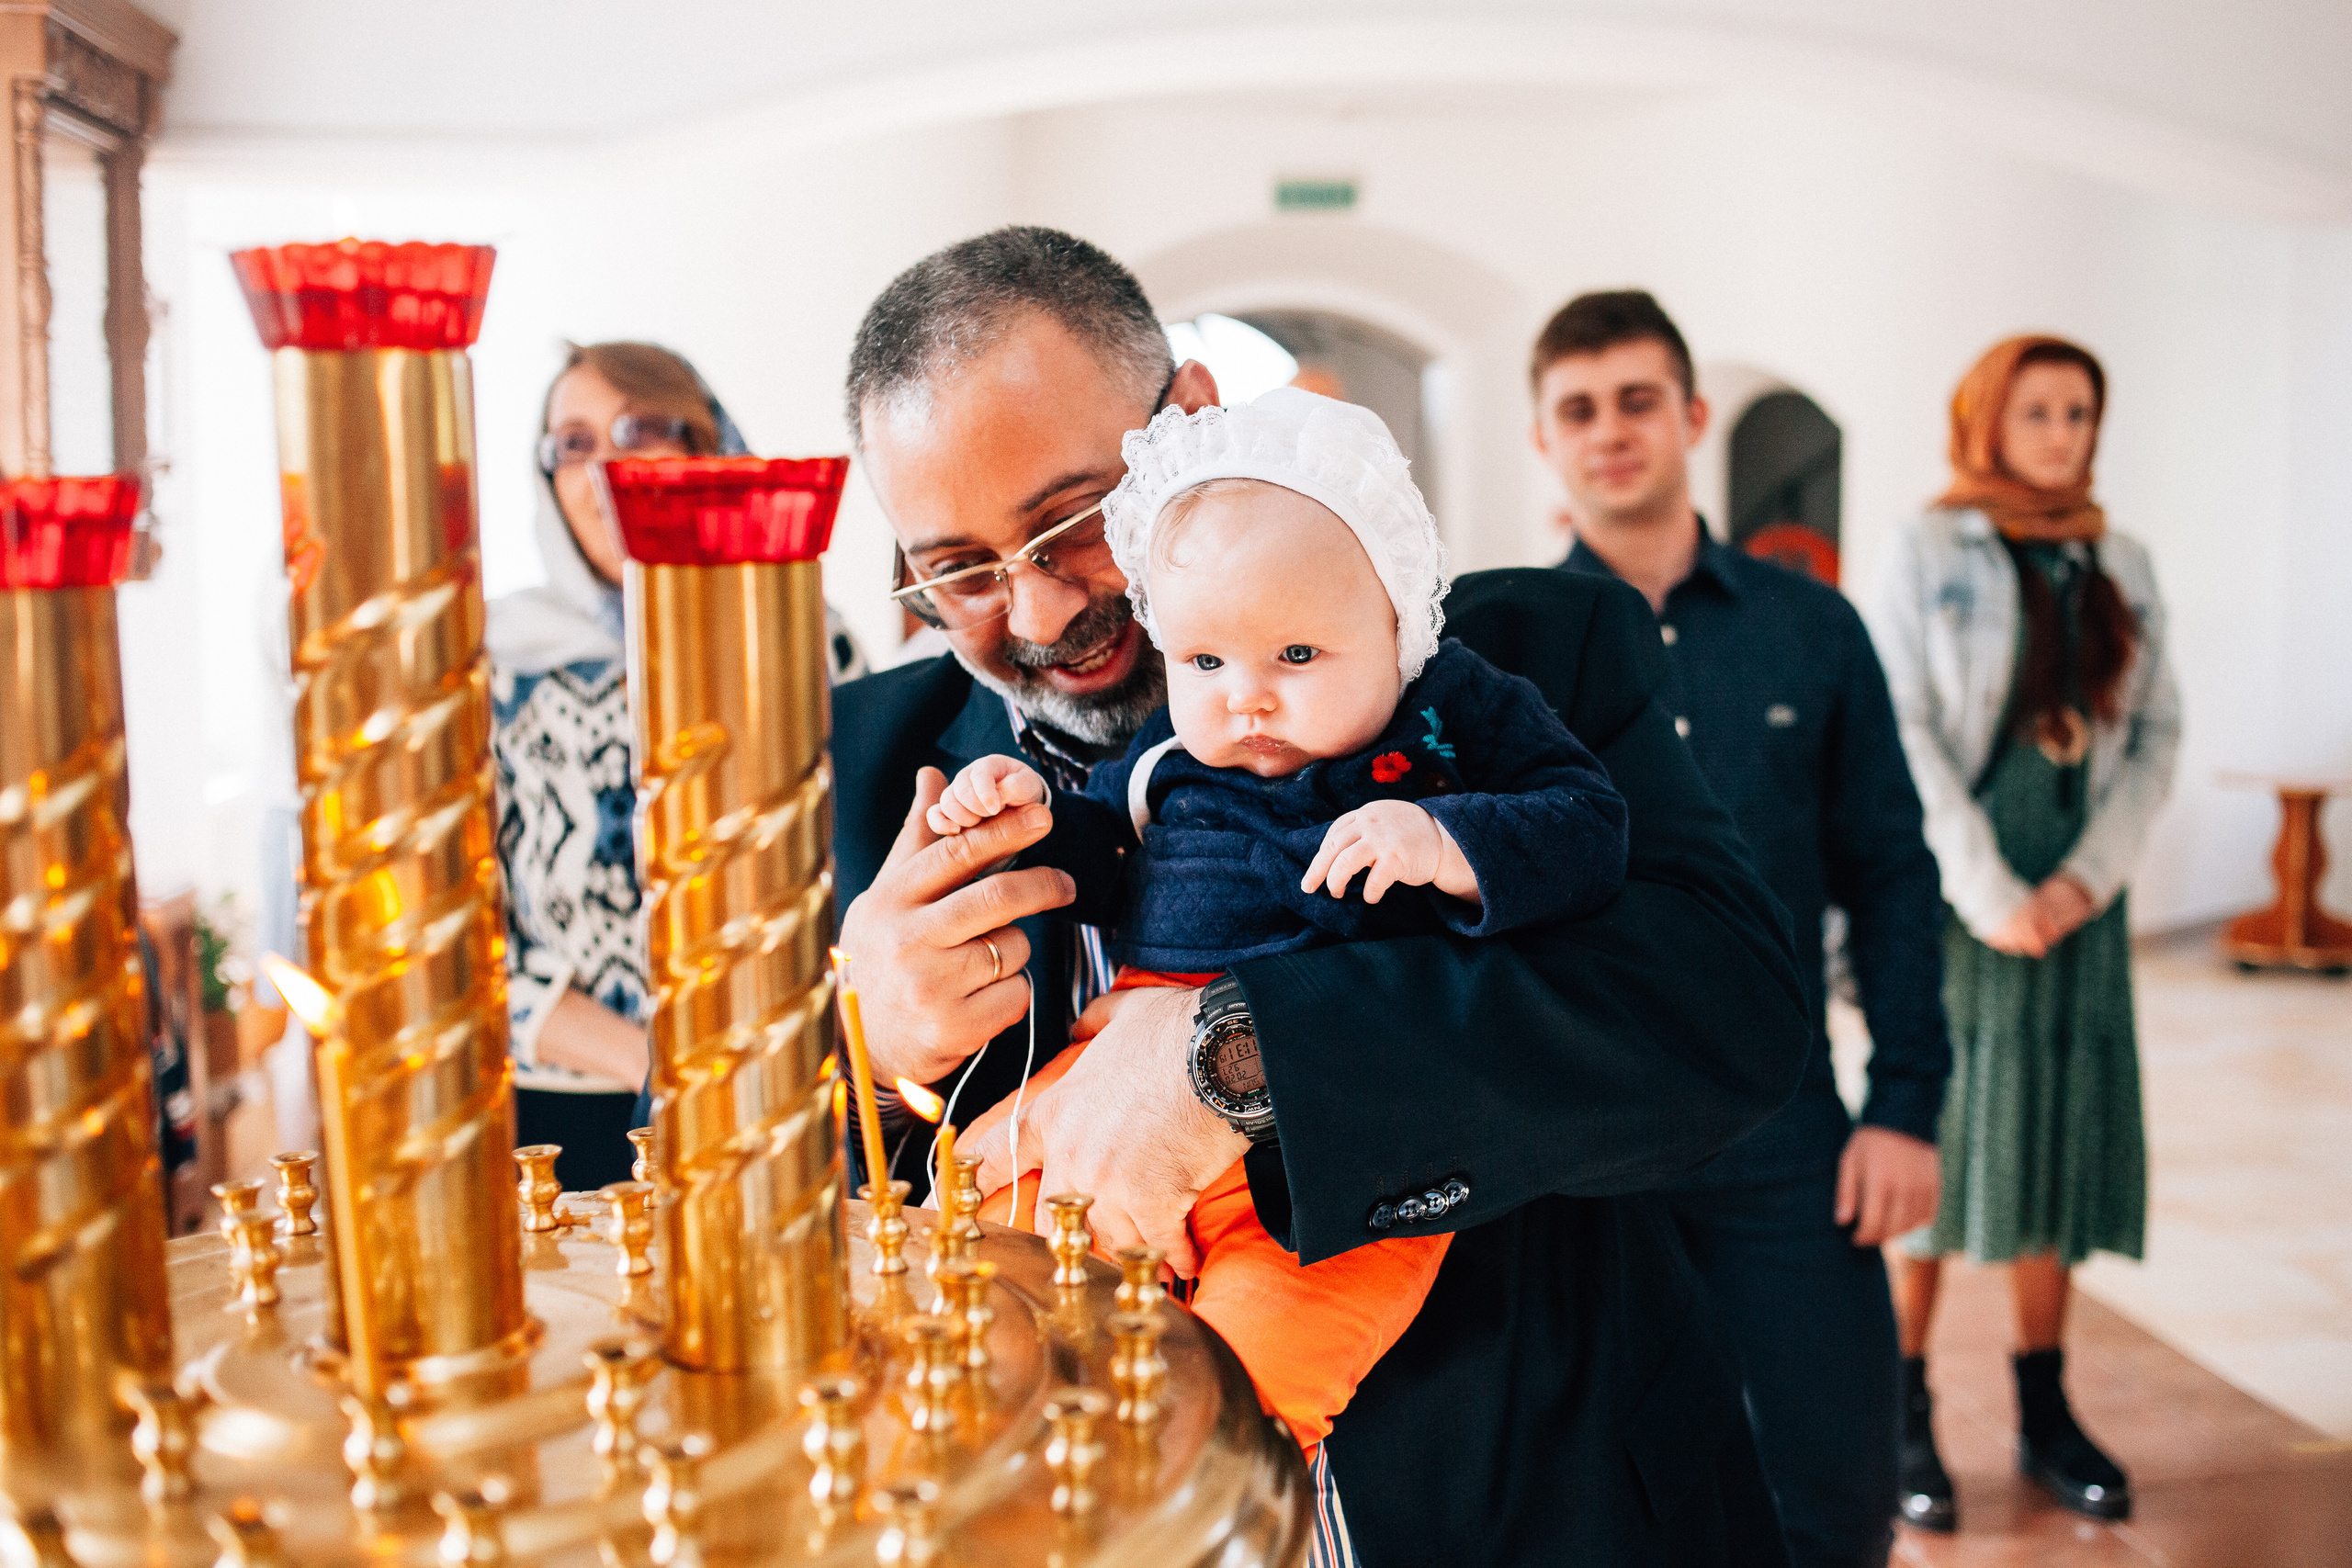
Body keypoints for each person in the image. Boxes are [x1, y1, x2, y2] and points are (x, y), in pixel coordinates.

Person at [830, 226, 1810, 1565]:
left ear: (1185, 418)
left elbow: (1725, 1005)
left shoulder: (1523, 658)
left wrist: (1234, 1060)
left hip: (1536, 1506)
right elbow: (699, 1162)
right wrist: (869, 1050)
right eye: (956, 567)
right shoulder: (862, 769)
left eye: (1070, 519)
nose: (1040, 604)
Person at [930, 389, 1630, 1485]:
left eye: (1296, 654)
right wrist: (1013, 807)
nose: (1245, 700)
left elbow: (1588, 825)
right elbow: (1091, 845)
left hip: (1338, 1153)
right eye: (1205, 662)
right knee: (977, 1223)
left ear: (1396, 626)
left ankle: (1194, 1498)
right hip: (1115, 1077)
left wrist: (1448, 838)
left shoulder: (1450, 716)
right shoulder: (1173, 756)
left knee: (1252, 1388)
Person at [1540, 291, 1952, 1568]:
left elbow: (1890, 870)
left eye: (1637, 399)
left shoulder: (1809, 626)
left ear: (1692, 415)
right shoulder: (1504, 646)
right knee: (1615, 1506)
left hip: (1790, 1134)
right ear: (1545, 441)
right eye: (1579, 409)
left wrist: (1906, 1103)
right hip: (1592, 1152)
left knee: (1834, 1486)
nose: (1612, 431)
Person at [1868, 335, 2178, 1528]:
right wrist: (1995, 891)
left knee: (2056, 1132)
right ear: (1987, 420)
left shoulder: (2123, 560)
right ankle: (1901, 1412)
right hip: (1962, 900)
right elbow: (1901, 726)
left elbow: (2155, 734)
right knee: (1940, 1143)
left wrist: (2086, 881)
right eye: (2038, 410)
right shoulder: (1928, 546)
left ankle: (2046, 1407)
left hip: (2080, 904)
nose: (2061, 433)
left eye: (2079, 412)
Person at [487, 342, 865, 1191]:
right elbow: (461, 942)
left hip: (781, 1083)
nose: (605, 471)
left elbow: (855, 868)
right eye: (573, 444)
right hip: (563, 1120)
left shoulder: (805, 635)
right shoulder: (495, 664)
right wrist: (658, 1063)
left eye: (640, 430)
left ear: (709, 448)